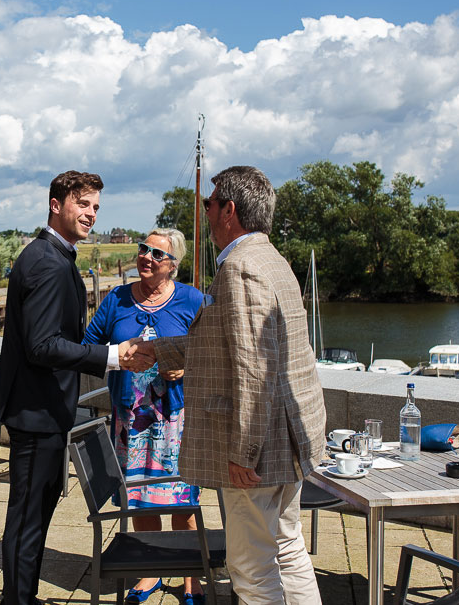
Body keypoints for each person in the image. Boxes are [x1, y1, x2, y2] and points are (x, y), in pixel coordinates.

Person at [129, 166, 326, 604]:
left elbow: (254, 366)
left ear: (229, 211)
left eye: (209, 202)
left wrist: (244, 452)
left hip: (259, 451)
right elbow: (225, 342)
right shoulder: (273, 260)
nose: (206, 210)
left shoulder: (240, 268)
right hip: (291, 442)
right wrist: (159, 351)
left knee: (251, 569)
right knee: (288, 548)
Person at [0, 170, 149, 605]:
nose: (91, 214)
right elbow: (43, 346)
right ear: (56, 205)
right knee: (27, 521)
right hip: (36, 413)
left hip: (40, 411)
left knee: (34, 518)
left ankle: (19, 597)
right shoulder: (46, 261)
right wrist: (111, 356)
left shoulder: (52, 256)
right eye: (83, 204)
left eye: (96, 207)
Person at [83, 228, 206, 605]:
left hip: (175, 421)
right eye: (143, 249)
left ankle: (190, 575)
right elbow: (88, 345)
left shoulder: (193, 300)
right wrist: (117, 352)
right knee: (138, 498)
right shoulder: (117, 299)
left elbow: (218, 348)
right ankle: (150, 569)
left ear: (172, 264)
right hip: (130, 421)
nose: (146, 257)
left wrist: (186, 368)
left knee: (181, 500)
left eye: (157, 253)